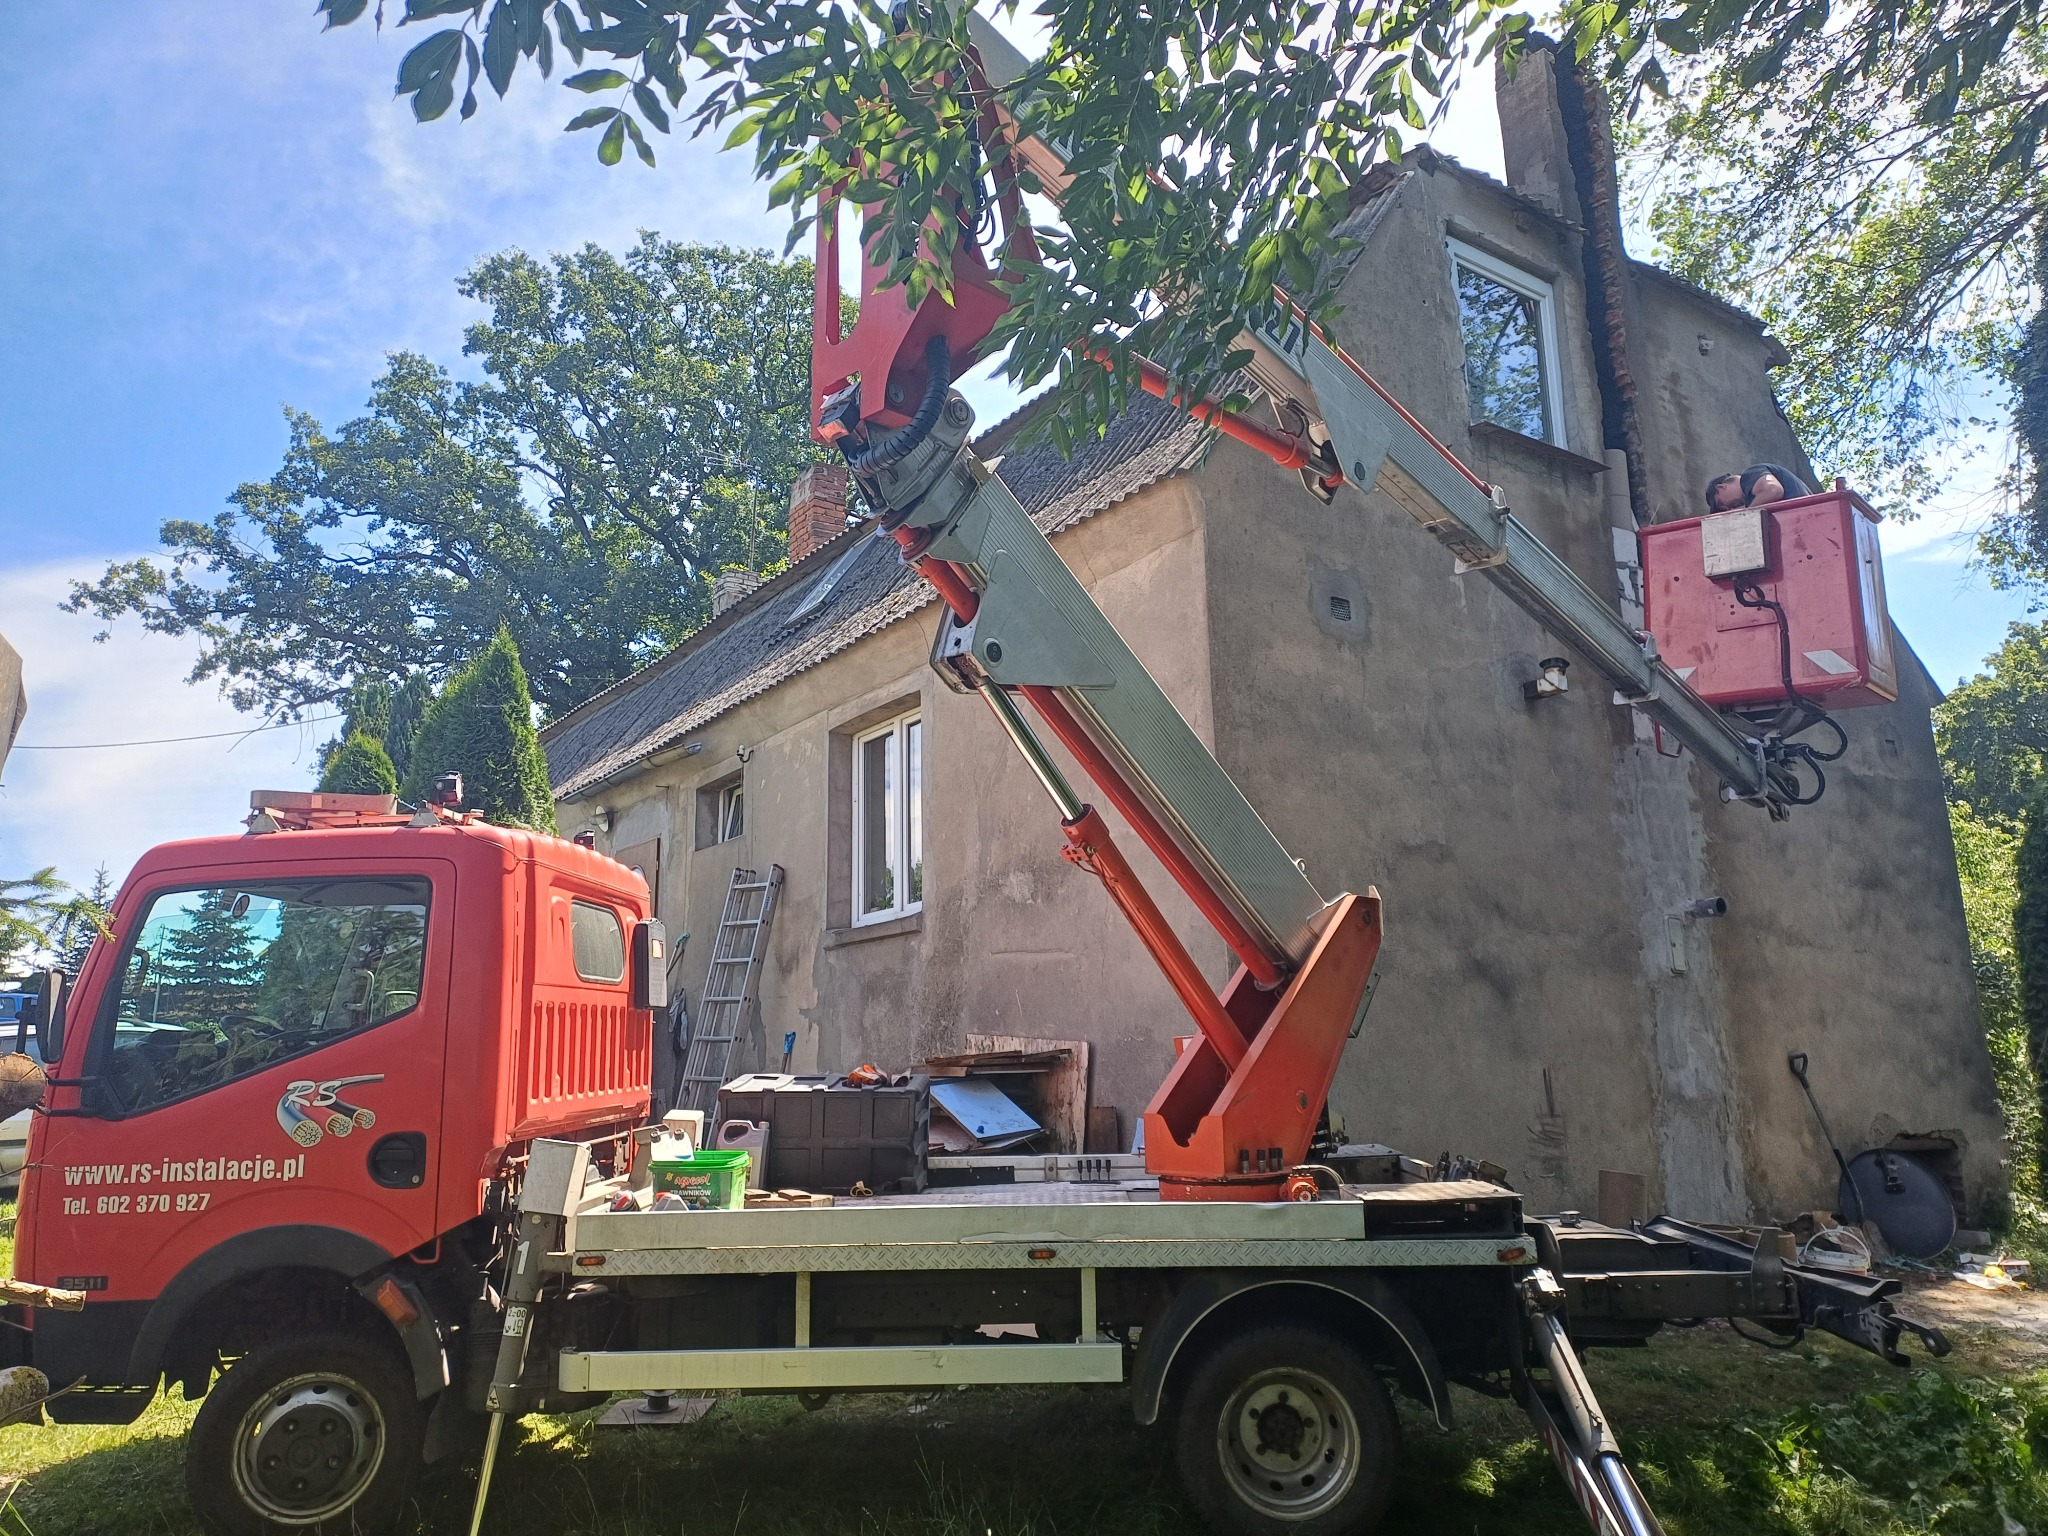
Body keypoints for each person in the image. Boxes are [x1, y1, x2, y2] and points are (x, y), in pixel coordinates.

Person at [1740, 463, 1811, 505]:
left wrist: (1745, 514)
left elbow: (1773, 490)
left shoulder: (1748, 474)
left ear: (1728, 487)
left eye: (1733, 505)